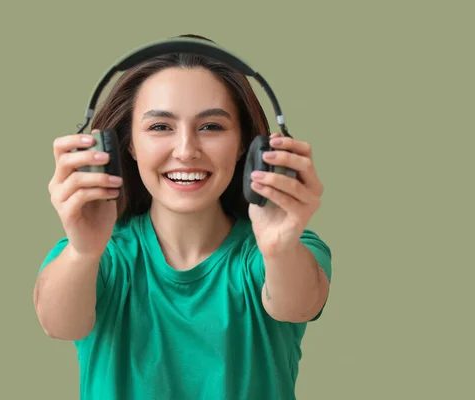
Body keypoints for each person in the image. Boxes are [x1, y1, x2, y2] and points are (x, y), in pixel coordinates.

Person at [33, 34, 332, 400]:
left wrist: (280, 246)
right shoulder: (99, 255)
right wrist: (83, 250)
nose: (186, 150)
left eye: (211, 127)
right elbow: (58, 325)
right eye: (160, 127)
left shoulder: (282, 251)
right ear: (126, 143)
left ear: (247, 146)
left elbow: (298, 305)